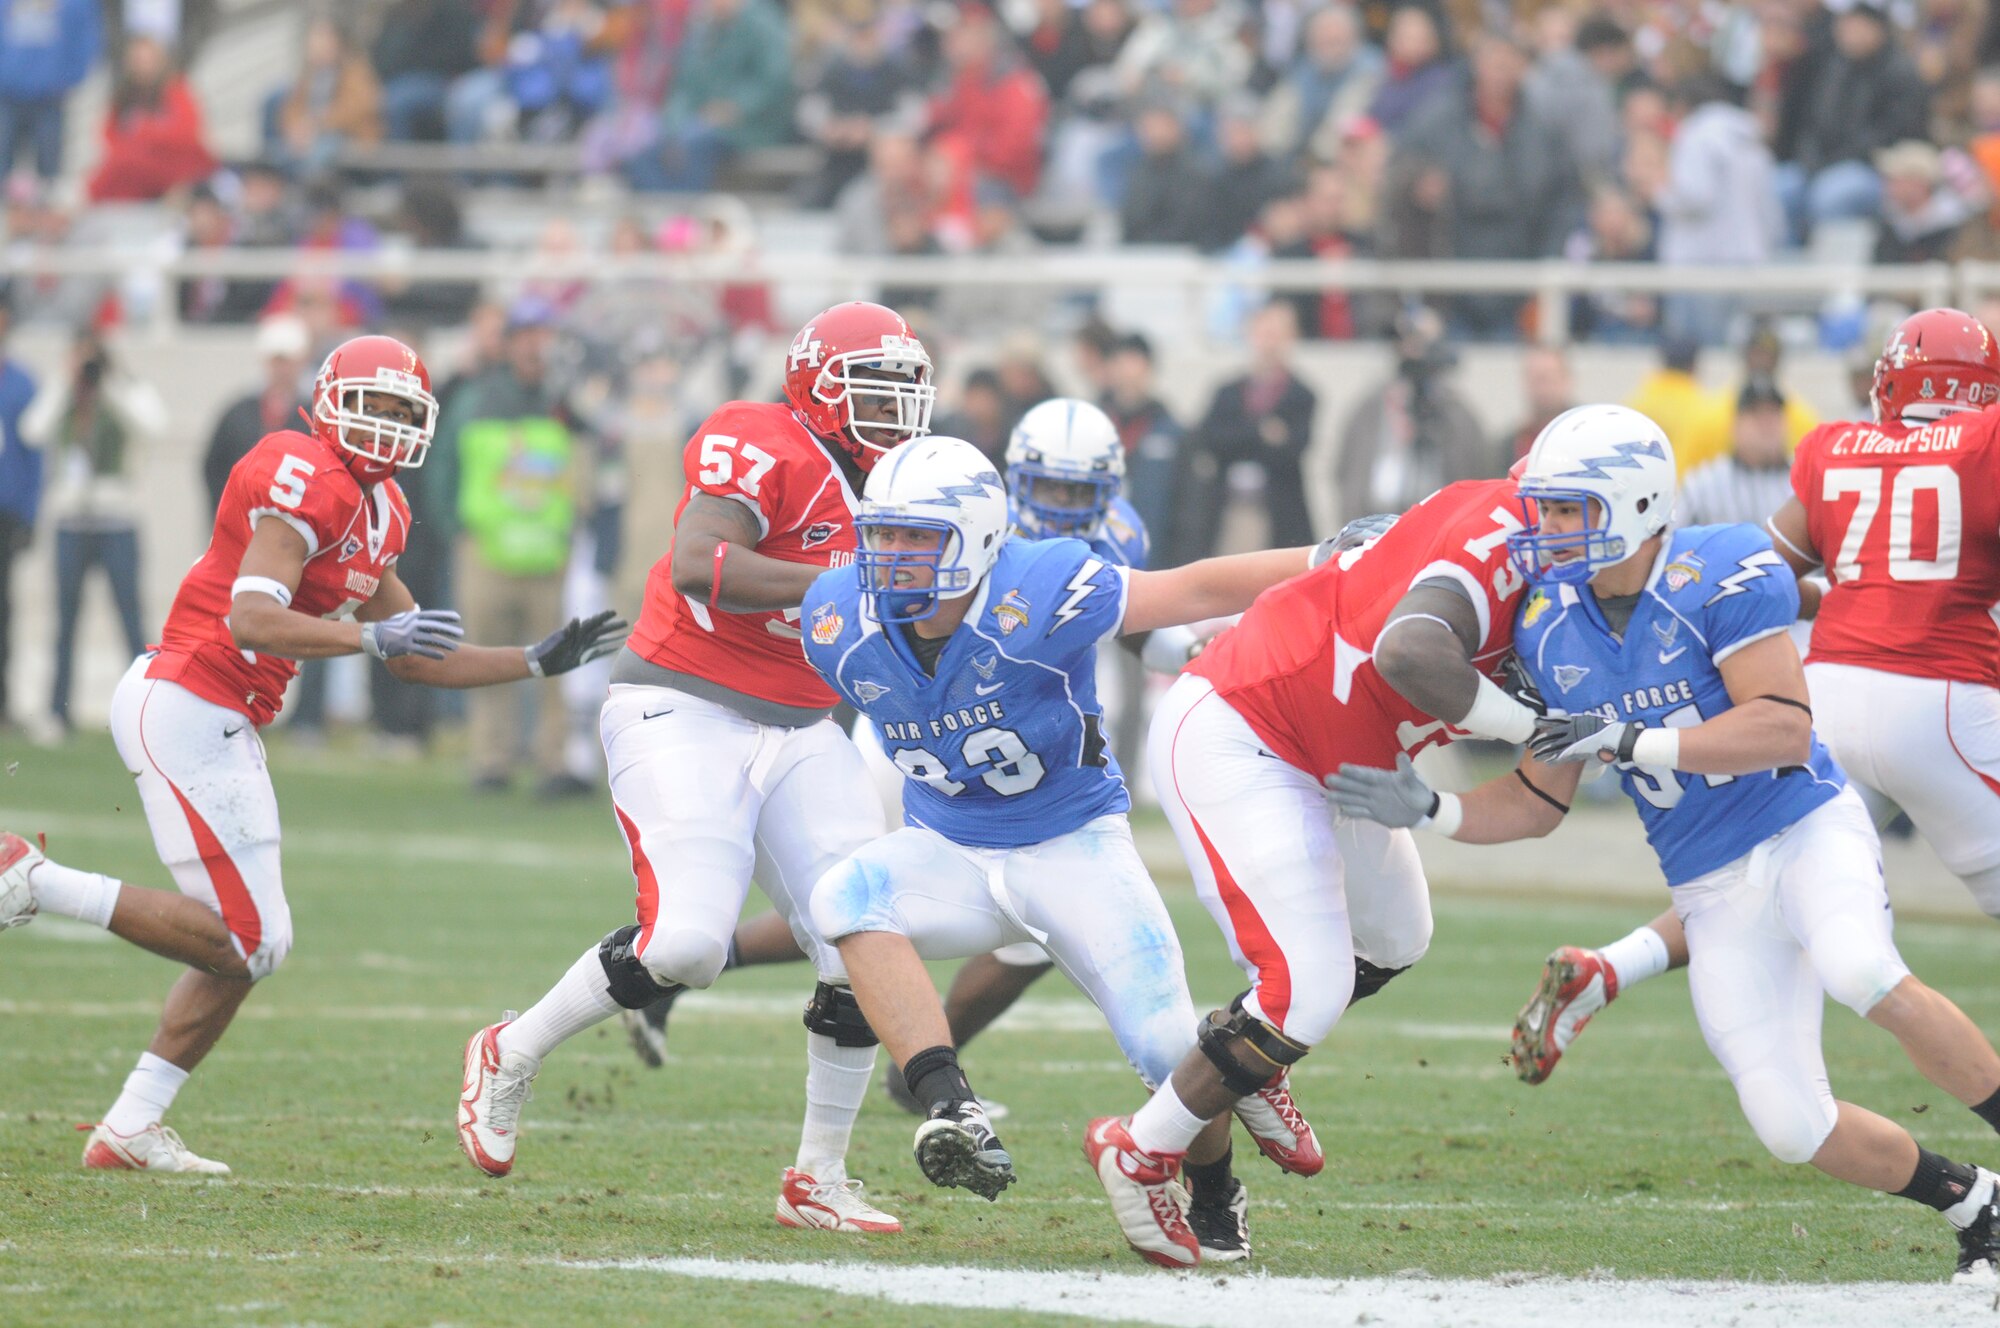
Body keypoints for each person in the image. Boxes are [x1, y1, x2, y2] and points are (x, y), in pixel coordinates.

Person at [1324, 404, 2000, 1285]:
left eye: (1569, 510)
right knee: (1793, 1126)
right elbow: (1537, 798)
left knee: (1859, 970)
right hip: (1709, 885)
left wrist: (1627, 741)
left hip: (1801, 828)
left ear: (1635, 505)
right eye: (1546, 509)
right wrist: (1434, 810)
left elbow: (1784, 730)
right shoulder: (1546, 624)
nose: (1545, 529)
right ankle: (1978, 1203)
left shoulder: (1713, 569)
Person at [0, 334, 625, 1173]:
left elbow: (414, 654)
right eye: (375, 405)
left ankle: (131, 1125)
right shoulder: (304, 471)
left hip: (220, 711)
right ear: (331, 402)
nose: (391, 425)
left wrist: (532, 662)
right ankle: (32, 881)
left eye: (407, 412)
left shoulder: (384, 510)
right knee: (249, 938)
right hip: (189, 694)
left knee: (257, 942)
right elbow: (252, 617)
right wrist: (368, 634)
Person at [454, 302, 935, 1238]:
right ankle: (510, 1050)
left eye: (904, 394)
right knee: (685, 947)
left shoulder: (912, 482)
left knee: (860, 943)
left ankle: (819, 1178)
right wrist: (849, 580)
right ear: (816, 387)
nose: (893, 414)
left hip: (805, 726)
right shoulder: (761, 437)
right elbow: (698, 562)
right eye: (873, 392)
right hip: (684, 703)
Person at [801, 435, 1327, 1266]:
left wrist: (1325, 556)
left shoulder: (1042, 583)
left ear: (975, 539)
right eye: (883, 536)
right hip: (951, 847)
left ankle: (1217, 1185)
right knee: (842, 898)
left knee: (1166, 1050)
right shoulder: (835, 616)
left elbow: (1186, 588)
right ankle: (951, 1106)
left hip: (1072, 842)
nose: (892, 558)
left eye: (916, 538)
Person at [1506, 309, 2000, 1083]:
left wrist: (1846, 602)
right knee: (1818, 900)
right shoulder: (1984, 441)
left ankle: (1610, 968)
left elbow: (1765, 570)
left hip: (1832, 689)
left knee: (1760, 867)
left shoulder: (1840, 447)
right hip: (1944, 697)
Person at [1083, 454, 1545, 1265]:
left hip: (1341, 753)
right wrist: (1533, 725)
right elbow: (1410, 655)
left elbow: (1548, 795)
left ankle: (1249, 1062)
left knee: (1396, 934)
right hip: (1248, 725)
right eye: (1567, 514)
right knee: (1306, 992)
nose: (1580, 538)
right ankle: (1138, 1146)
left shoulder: (1577, 591)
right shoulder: (1495, 546)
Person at [436, 299, 588, 795]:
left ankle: (553, 760)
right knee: (485, 658)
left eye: (542, 335)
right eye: (525, 334)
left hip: (547, 554)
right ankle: (491, 759)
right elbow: (445, 467)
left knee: (555, 663)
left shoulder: (564, 400)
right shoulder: (477, 397)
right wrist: (455, 526)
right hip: (487, 551)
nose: (534, 345)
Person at [23, 329, 168, 737]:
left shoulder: (124, 391)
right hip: (71, 520)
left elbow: (154, 425)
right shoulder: (64, 394)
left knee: (131, 619)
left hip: (117, 519)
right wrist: (64, 381)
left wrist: (109, 382)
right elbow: (32, 429)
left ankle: (145, 711)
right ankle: (57, 711)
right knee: (65, 622)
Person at [204, 316, 311, 515]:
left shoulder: (315, 413)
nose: (282, 370)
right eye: (276, 361)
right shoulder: (237, 414)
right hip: (244, 517)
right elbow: (214, 468)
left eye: (287, 362)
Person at [1675, 377, 1794, 526]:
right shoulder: (1704, 484)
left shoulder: (1804, 481)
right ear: (1736, 425)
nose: (1767, 422)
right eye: (1756, 414)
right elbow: (1676, 540)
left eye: (1774, 413)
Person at [0, 286, 38, 729]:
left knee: (4, 611)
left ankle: (3, 698)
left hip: (4, 512)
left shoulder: (21, 382)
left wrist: (28, 514)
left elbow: (33, 456)